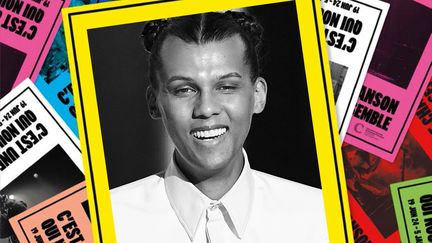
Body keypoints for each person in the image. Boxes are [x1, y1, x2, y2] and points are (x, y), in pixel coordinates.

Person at [110, 11, 329, 243]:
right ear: (154, 103)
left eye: (226, 87)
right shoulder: (110, 220)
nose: (206, 108)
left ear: (257, 96)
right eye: (184, 89)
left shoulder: (320, 217)